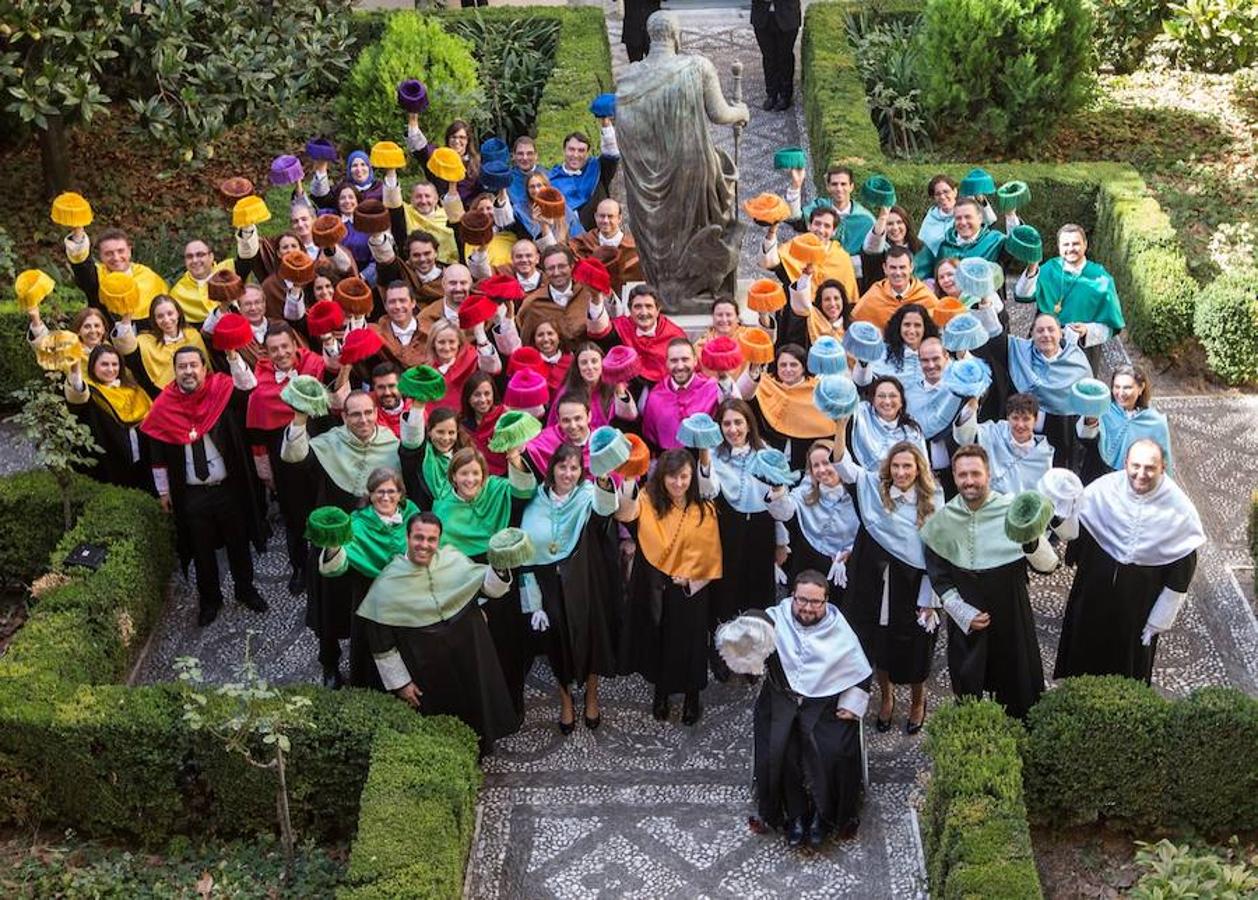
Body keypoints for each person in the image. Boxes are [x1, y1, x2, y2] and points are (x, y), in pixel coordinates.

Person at [717, 570, 871, 846]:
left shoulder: (840, 629)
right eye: (802, 601)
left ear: (826, 601)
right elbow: (754, 622)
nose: (808, 608)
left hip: (825, 704)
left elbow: (860, 672)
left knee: (832, 752)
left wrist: (853, 704)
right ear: (792, 597)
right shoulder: (777, 618)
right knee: (781, 748)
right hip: (781, 700)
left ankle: (824, 817)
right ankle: (793, 817)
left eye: (815, 602)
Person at [356, 512, 521, 756]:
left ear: (439, 540)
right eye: (418, 538)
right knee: (441, 727)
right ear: (407, 537)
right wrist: (402, 684)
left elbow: (488, 588)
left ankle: (480, 753)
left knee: (477, 710)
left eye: (431, 539)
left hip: (469, 655)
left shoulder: (453, 559)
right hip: (427, 668)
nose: (424, 545)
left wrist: (499, 565)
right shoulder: (386, 583)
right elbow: (382, 643)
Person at [616, 12, 749, 305]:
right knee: (697, 227)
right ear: (678, 36)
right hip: (692, 165)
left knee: (659, 227)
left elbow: (625, 130)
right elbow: (720, 114)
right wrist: (743, 112)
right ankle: (695, 289)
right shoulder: (697, 66)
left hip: (645, 174)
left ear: (650, 37)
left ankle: (664, 289)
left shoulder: (628, 77)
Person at [1054, 440, 1204, 684]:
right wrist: (1060, 507)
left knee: (1128, 668)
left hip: (1138, 608)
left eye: (1149, 468)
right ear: (1125, 464)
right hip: (1093, 596)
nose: (1141, 474)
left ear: (1162, 467)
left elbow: (1180, 575)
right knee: (1082, 657)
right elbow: (1075, 533)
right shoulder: (1102, 491)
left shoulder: (1180, 512)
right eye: (1136, 466)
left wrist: (1159, 620)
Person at [922, 445, 1053, 719]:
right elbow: (938, 574)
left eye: (975, 474)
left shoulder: (1012, 510)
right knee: (969, 687)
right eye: (962, 475)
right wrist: (961, 611)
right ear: (954, 477)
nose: (969, 481)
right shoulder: (943, 520)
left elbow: (1048, 566)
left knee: (1018, 684)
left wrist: (1030, 540)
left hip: (1011, 611)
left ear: (988, 475)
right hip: (969, 619)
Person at [141, 346, 267, 626]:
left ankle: (245, 589)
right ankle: (210, 600)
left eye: (193, 365)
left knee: (238, 542)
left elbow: (248, 389)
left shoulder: (221, 391)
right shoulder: (163, 406)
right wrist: (163, 492)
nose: (188, 371)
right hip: (191, 493)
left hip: (227, 487)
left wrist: (234, 357)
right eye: (182, 366)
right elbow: (158, 456)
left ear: (203, 368)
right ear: (175, 371)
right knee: (201, 549)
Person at [833, 431, 941, 734]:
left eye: (907, 466)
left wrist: (929, 600)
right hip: (875, 585)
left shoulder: (932, 503)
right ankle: (887, 698)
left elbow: (937, 557)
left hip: (912, 588)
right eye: (896, 466)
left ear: (919, 468)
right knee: (879, 643)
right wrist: (841, 423)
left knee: (916, 646)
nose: (901, 472)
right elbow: (841, 463)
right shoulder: (872, 491)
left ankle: (918, 702)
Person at [519, 444, 625, 733]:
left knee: (590, 638)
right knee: (556, 643)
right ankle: (566, 700)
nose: (567, 473)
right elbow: (524, 557)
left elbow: (606, 510)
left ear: (581, 473)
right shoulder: (535, 499)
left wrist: (603, 479)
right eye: (562, 466)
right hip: (547, 584)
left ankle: (591, 695)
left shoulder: (586, 496)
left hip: (582, 580)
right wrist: (532, 604)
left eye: (574, 468)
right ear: (552, 467)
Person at [619, 448, 723, 725]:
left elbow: (709, 553)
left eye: (684, 477)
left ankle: (692, 696)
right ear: (662, 478)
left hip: (690, 588)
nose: (678, 483)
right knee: (659, 640)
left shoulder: (705, 508)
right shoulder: (648, 501)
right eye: (672, 477)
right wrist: (628, 478)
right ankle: (661, 692)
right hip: (656, 584)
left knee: (691, 644)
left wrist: (691, 580)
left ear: (693, 478)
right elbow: (626, 514)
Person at [433, 447, 538, 715]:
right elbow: (445, 559)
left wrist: (514, 458)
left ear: (484, 475)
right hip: (467, 584)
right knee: (479, 650)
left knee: (510, 642)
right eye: (463, 473)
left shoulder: (498, 491)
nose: (470, 480)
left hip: (503, 575)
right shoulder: (442, 507)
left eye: (475, 473)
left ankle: (513, 704)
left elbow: (524, 490)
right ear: (453, 477)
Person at [703, 398, 797, 679]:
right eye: (727, 423)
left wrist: (781, 542)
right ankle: (722, 651)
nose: (733, 429)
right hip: (727, 527)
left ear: (749, 424)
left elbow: (780, 501)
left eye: (738, 422)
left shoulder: (766, 453)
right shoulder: (714, 455)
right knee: (725, 592)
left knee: (756, 592)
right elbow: (708, 490)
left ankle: (753, 653)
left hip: (760, 528)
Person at [316, 467, 417, 688]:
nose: (386, 497)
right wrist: (333, 546)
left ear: (400, 494)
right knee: (373, 650)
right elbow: (336, 566)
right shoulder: (356, 523)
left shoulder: (412, 514)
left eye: (391, 491)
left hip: (408, 591)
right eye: (379, 492)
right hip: (371, 594)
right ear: (370, 495)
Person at [975, 310, 1092, 468]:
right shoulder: (1020, 352)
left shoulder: (1076, 362)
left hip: (1060, 436)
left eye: (1051, 329)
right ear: (1032, 334)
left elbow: (1086, 405)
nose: (1046, 334)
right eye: (1040, 330)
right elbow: (997, 340)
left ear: (1061, 333)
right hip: (1020, 432)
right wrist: (985, 304)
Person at [1014, 224, 1125, 356]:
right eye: (1066, 244)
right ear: (1059, 247)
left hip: (1080, 348)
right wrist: (1032, 266)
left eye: (1076, 244)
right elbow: (1021, 294)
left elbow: (1111, 326)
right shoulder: (1049, 268)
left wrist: (1086, 330)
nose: (1071, 248)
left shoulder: (1101, 279)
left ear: (1085, 245)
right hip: (1044, 342)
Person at [64, 346, 153, 491]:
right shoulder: (92, 392)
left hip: (142, 454)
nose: (110, 369)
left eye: (115, 364)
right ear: (93, 366)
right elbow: (77, 390)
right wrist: (75, 369)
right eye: (104, 364)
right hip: (111, 460)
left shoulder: (132, 388)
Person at [738, 343, 834, 471]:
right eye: (783, 365)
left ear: (803, 367)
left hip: (805, 465)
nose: (788, 369)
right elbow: (744, 399)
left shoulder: (818, 391)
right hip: (768, 461)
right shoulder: (765, 385)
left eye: (793, 365)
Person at [1077, 364, 1172, 484]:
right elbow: (1085, 440)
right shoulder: (1103, 409)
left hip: (1133, 481)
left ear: (1141, 388)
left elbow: (1162, 461)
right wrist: (1091, 419)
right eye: (1117, 387)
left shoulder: (1155, 422)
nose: (1121, 393)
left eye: (1127, 388)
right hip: (1097, 475)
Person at [953, 393, 1054, 497]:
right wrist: (971, 407)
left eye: (1026, 419)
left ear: (1035, 420)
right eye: (1015, 418)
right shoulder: (994, 433)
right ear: (1008, 417)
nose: (1020, 425)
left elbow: (1042, 499)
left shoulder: (1043, 456)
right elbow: (965, 437)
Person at [787, 440, 859, 584]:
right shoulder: (804, 493)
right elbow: (784, 511)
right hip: (808, 568)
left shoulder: (859, 495)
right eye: (816, 465)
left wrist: (851, 550)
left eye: (827, 463)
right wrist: (777, 490)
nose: (821, 470)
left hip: (847, 569)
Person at [64, 226, 169, 323]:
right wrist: (78, 232)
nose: (116, 257)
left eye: (120, 251)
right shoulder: (96, 277)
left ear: (129, 251)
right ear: (100, 256)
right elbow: (82, 266)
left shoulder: (147, 276)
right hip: (107, 339)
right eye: (109, 253)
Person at [517, 245, 611, 349]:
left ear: (571, 266)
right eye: (551, 268)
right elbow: (527, 345)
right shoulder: (532, 304)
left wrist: (596, 298)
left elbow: (611, 329)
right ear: (544, 271)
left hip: (593, 359)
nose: (556, 273)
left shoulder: (589, 291)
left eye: (561, 266)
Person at [114, 295, 210, 395]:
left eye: (170, 313)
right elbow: (126, 349)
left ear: (178, 313)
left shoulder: (193, 335)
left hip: (199, 391)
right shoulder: (145, 340)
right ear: (154, 319)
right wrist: (127, 317)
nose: (166, 320)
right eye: (160, 316)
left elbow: (206, 367)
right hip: (164, 396)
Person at [788, 166, 876, 272]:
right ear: (828, 187)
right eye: (834, 184)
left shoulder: (865, 219)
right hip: (816, 271)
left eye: (843, 184)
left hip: (853, 274)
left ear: (851, 187)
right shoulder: (817, 208)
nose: (839, 189)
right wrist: (796, 185)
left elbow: (876, 253)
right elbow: (795, 218)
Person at [639, 339, 720, 452]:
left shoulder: (712, 389)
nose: (680, 366)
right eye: (674, 361)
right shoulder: (655, 396)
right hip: (668, 462)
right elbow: (650, 439)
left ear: (695, 361)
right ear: (666, 363)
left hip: (705, 461)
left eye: (685, 359)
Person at [913, 198, 1012, 280]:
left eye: (968, 217)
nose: (963, 222)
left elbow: (1018, 248)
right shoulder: (945, 246)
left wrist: (1011, 215)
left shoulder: (995, 241)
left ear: (980, 218)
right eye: (958, 218)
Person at [606, 285, 687, 384]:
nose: (644, 312)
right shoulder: (620, 327)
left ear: (658, 310)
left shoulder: (675, 336)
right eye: (638, 307)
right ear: (630, 310)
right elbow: (600, 333)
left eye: (649, 306)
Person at [846, 375, 927, 470]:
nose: (887, 401)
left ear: (901, 401)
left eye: (893, 396)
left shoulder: (912, 429)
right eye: (881, 396)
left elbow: (924, 467)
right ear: (873, 400)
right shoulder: (860, 416)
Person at [548, 128, 621, 232]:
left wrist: (605, 123)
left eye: (581, 150)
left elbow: (611, 154)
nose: (575, 155)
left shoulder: (596, 168)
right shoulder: (551, 178)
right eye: (571, 149)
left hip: (598, 237)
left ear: (587, 153)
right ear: (564, 150)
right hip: (563, 237)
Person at [399, 403, 470, 510]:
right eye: (440, 432)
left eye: (451, 433)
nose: (446, 438)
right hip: (424, 520)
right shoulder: (420, 455)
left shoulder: (466, 457)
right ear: (430, 432)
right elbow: (412, 437)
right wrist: (418, 405)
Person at [851, 247, 938, 331]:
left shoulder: (925, 295)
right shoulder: (874, 295)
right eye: (893, 267)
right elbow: (855, 322)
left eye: (902, 267)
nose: (898, 273)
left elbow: (938, 323)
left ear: (911, 267)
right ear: (885, 268)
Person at [568, 198, 643, 295]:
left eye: (610, 216)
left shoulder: (634, 248)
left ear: (619, 218)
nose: (605, 220)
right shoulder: (581, 244)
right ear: (595, 217)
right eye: (602, 216)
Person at [169, 239, 236, 325]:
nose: (195, 260)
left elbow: (248, 255)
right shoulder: (177, 293)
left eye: (200, 255)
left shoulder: (229, 269)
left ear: (211, 256)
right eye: (189, 256)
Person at [751, 0, 801, 112]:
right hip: (761, 15)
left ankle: (785, 95)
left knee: (785, 56)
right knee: (768, 57)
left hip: (787, 15)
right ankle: (771, 94)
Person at [861, 205, 923, 288]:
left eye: (899, 222)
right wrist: (883, 218)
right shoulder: (877, 252)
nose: (895, 228)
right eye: (889, 224)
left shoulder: (921, 249)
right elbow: (874, 242)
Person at [917, 175, 957, 255]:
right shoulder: (930, 218)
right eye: (938, 194)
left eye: (946, 192)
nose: (942, 197)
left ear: (955, 192)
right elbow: (921, 247)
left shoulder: (964, 213)